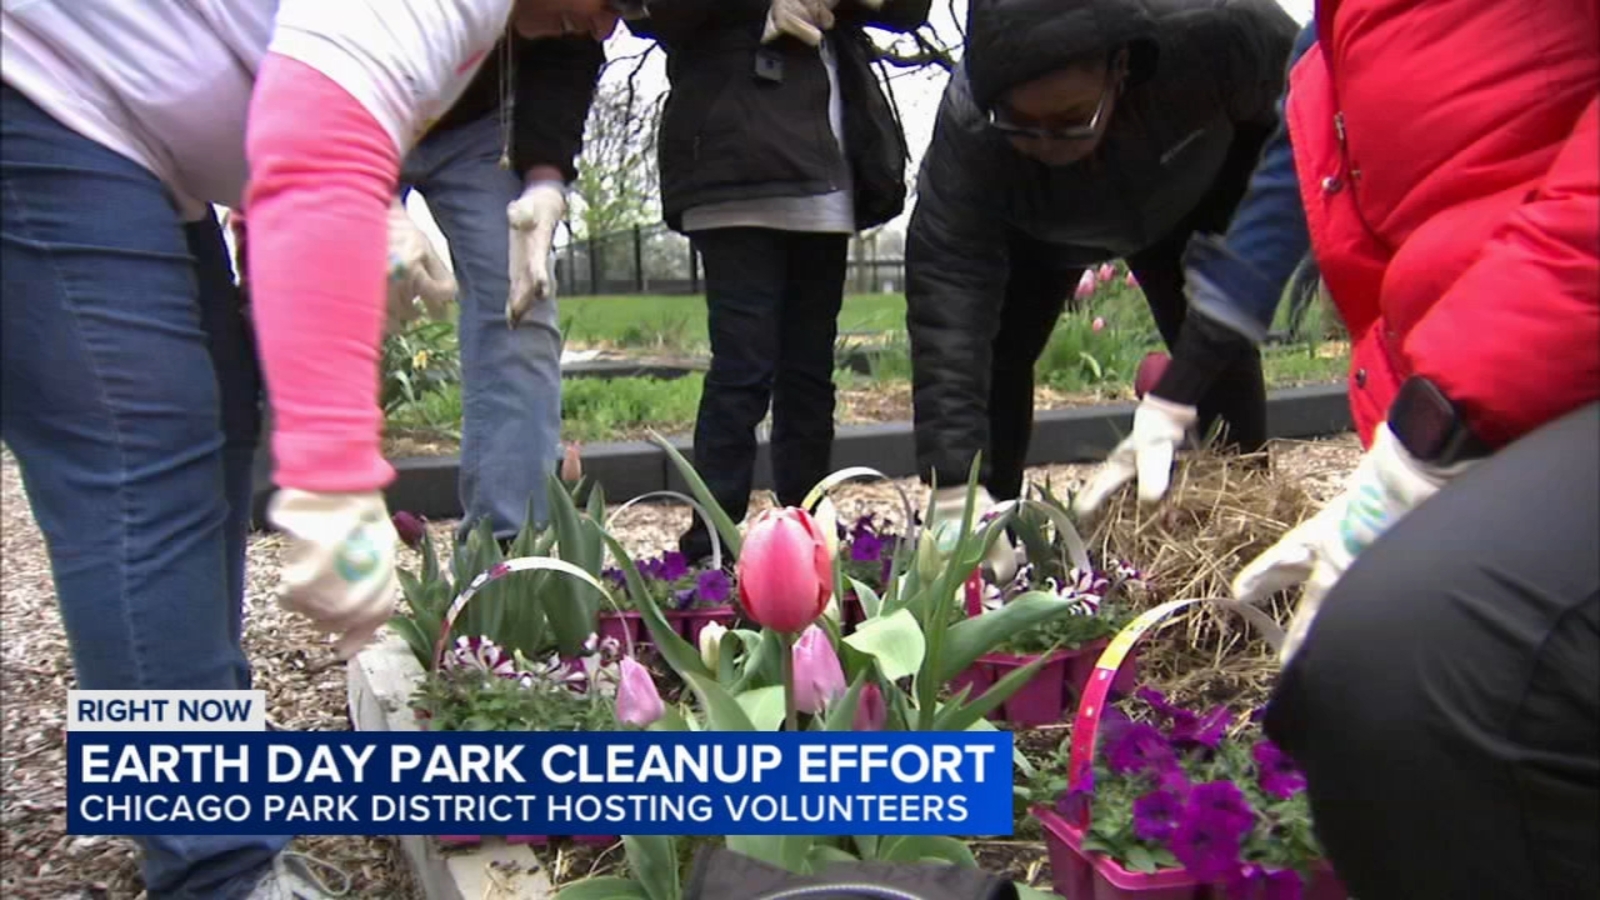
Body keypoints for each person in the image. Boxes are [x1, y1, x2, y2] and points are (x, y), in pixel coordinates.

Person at [0, 1, 638, 896]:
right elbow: (314, 143)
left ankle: (211, 796)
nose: (609, 25)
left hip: (121, 127)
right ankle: (213, 868)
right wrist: (334, 485)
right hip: (40, 95)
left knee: (211, 432)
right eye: (614, 0)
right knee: (143, 466)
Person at [1083, 5, 1600, 897]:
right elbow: (1271, 231)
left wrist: (1443, 429)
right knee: (1363, 687)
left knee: (1410, 661)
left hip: (1539, 374)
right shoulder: (1326, 49)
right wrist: (1172, 400)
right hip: (1473, 395)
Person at [905, 0, 1299, 527]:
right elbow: (946, 301)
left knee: (1216, 350)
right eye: (1022, 124)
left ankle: (1246, 513)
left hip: (1185, 198)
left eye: (1070, 121)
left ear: (1121, 67)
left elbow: (1309, 109)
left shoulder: (1216, 33)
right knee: (997, 354)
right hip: (1037, 231)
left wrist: (1241, 239)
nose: (1045, 143)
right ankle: (985, 534)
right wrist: (953, 484)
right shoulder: (972, 129)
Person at [622, 0, 931, 563]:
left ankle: (805, 532)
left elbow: (910, 10)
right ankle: (711, 542)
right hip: (735, 163)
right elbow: (646, 14)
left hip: (826, 171)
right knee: (743, 367)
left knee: (809, 372)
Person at [397, 32, 606, 545]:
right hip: (349, 93)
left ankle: (511, 551)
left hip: (481, 124)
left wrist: (544, 180)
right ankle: (318, 517)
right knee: (318, 297)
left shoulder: (577, 21)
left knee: (520, 303)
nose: (603, 26)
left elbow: (566, 51)